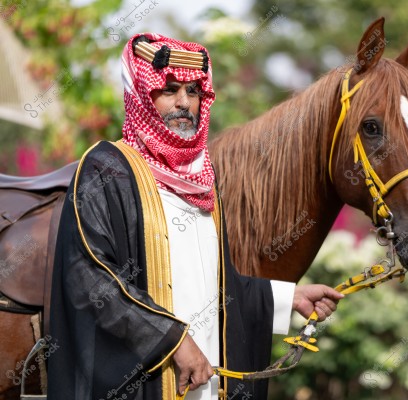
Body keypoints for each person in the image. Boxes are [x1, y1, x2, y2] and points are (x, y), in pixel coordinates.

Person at [48, 33, 343, 400]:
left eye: (193, 91)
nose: (184, 103)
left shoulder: (203, 180)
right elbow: (90, 280)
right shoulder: (108, 170)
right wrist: (172, 339)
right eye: (170, 89)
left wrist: (288, 298)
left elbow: (219, 287)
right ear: (142, 93)